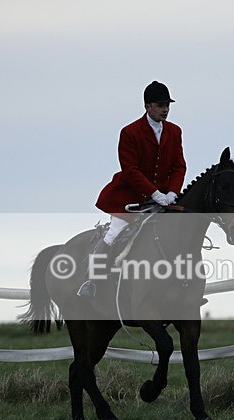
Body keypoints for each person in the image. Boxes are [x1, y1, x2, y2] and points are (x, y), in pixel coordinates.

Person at [77, 81, 187, 297]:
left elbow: (179, 166)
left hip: (165, 197)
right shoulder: (130, 132)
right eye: (160, 105)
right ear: (148, 106)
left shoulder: (175, 131)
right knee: (114, 232)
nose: (165, 109)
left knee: (181, 230)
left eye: (167, 105)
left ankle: (184, 285)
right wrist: (154, 193)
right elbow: (130, 170)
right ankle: (91, 281)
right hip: (130, 197)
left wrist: (173, 193)